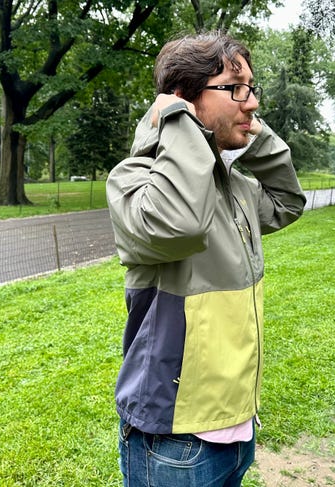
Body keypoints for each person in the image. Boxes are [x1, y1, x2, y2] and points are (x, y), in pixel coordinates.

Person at [106, 31, 306, 486]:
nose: (251, 103)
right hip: (176, 440)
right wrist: (174, 119)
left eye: (252, 89)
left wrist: (255, 139)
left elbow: (287, 203)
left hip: (235, 426)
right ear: (183, 99)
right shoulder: (134, 181)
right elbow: (180, 224)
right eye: (234, 88)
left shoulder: (235, 187)